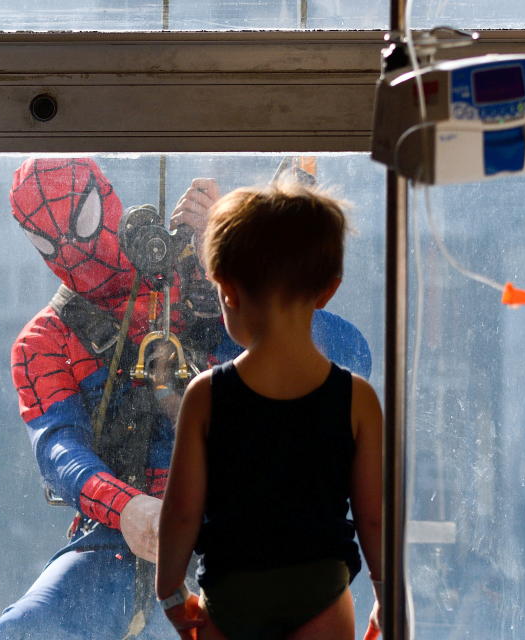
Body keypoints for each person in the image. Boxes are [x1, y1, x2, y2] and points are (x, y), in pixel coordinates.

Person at [0, 157, 373, 640]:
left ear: (108, 202)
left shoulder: (202, 278)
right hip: (116, 538)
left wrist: (235, 260)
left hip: (241, 529)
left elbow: (345, 359)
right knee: (28, 629)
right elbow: (58, 449)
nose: (72, 249)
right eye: (47, 240)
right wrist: (129, 510)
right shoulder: (46, 341)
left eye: (82, 222)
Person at [155, 181, 384, 640]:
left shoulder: (205, 395)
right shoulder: (357, 398)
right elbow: (372, 515)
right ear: (328, 291)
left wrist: (172, 595)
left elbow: (180, 512)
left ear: (227, 292)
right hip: (321, 589)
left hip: (231, 588)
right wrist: (387, 596)